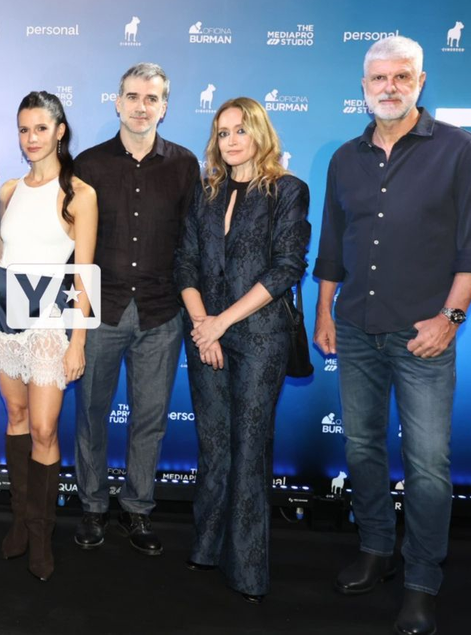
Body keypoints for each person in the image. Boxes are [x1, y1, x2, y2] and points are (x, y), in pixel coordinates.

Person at [313, 35, 471, 635]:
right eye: (379, 78)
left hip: (423, 337)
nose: (389, 87)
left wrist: (450, 320)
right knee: (362, 448)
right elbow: (332, 246)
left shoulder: (461, 150)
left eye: (401, 76)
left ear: (420, 81)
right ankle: (376, 549)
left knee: (428, 464)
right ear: (363, 87)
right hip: (355, 329)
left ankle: (422, 580)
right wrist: (325, 312)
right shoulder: (345, 158)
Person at [174, 97, 310, 604]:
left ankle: (247, 571)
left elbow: (286, 267)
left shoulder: (287, 190)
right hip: (204, 334)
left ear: (259, 133)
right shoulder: (205, 191)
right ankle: (207, 546)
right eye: (223, 132)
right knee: (213, 445)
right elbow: (185, 262)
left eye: (240, 130)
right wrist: (202, 326)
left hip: (258, 337)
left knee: (249, 450)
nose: (230, 140)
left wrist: (220, 323)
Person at [71, 63, 200, 555]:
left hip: (161, 312)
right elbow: (73, 245)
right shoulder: (89, 164)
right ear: (117, 102)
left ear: (164, 107)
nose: (141, 107)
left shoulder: (185, 165)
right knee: (91, 413)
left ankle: (137, 509)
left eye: (151, 98)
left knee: (150, 418)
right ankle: (92, 506)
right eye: (132, 96)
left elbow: (192, 243)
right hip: (100, 309)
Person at [0, 91, 96, 580]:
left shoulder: (80, 195)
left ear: (60, 131)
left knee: (44, 428)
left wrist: (78, 340)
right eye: (24, 129)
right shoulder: (8, 190)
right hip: (3, 316)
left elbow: (85, 273)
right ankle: (20, 523)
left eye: (41, 128)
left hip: (49, 321)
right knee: (18, 417)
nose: (31, 138)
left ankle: (42, 536)